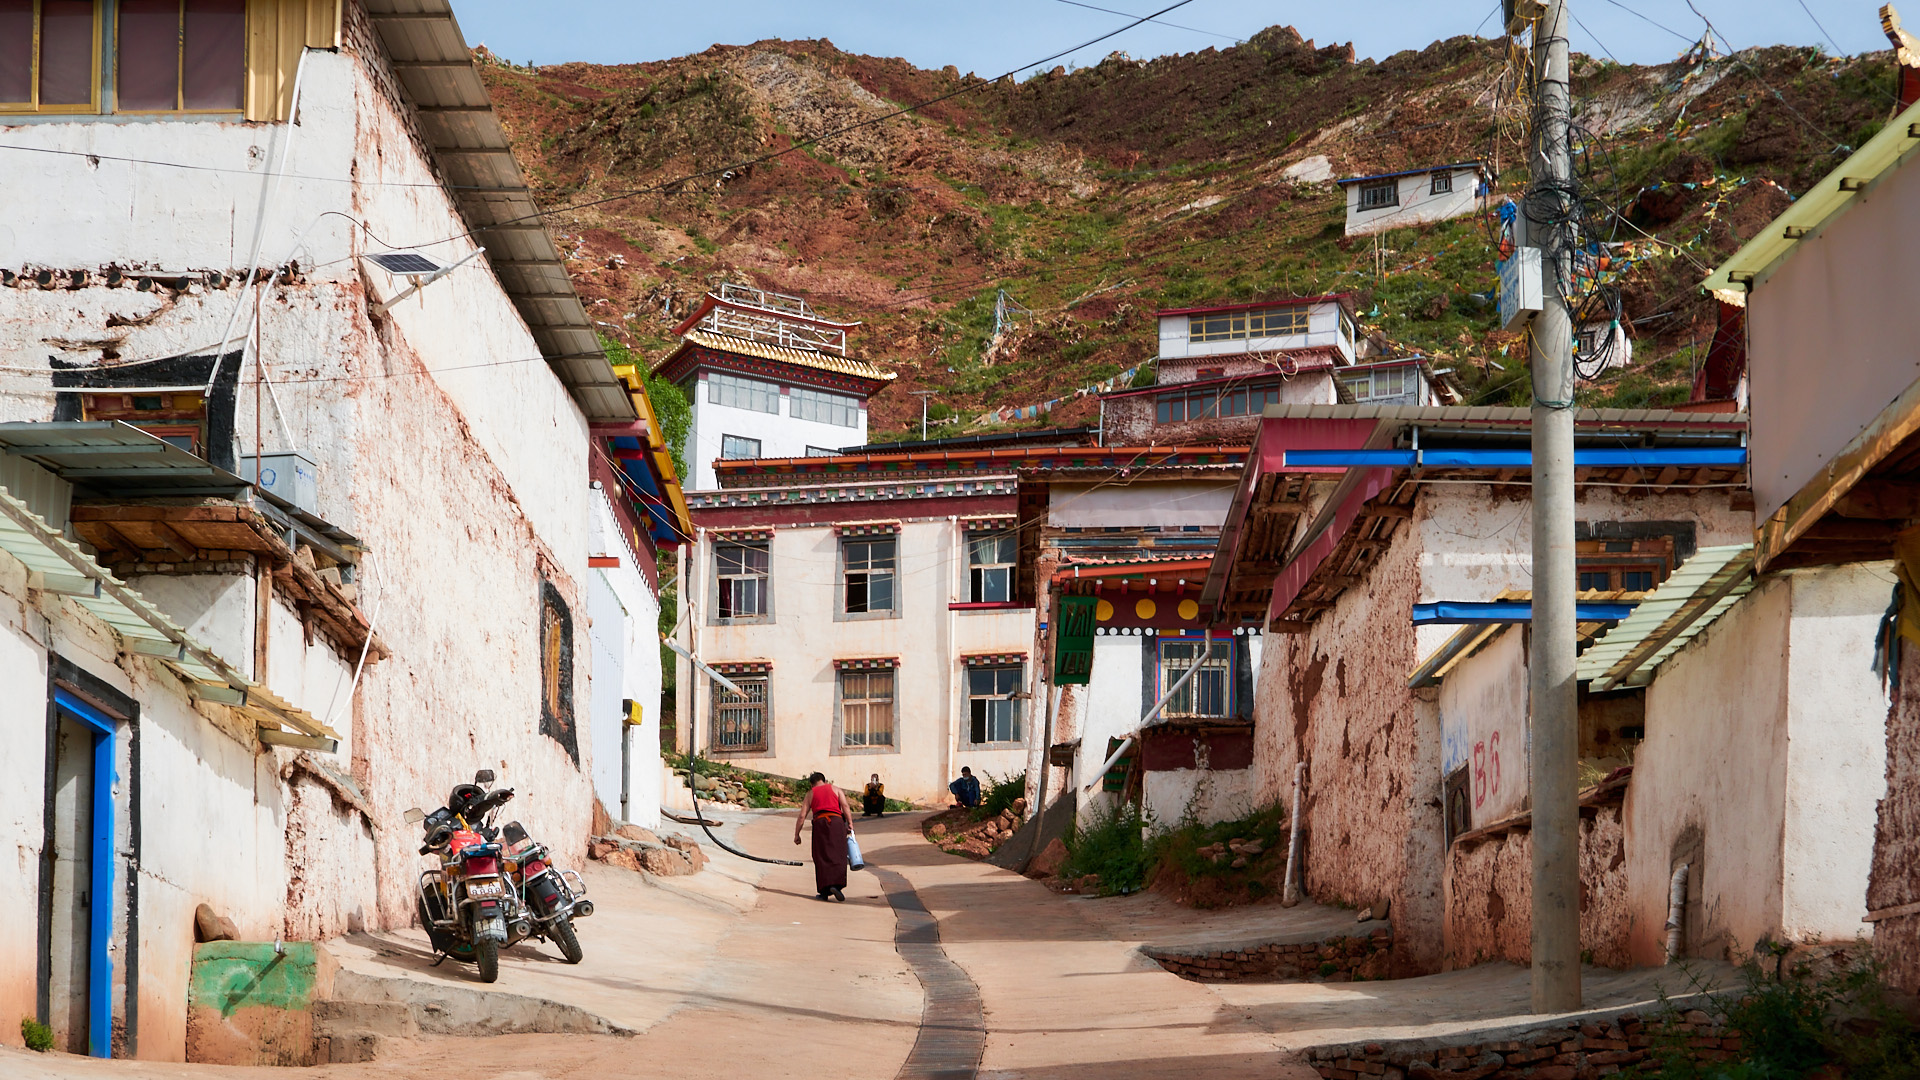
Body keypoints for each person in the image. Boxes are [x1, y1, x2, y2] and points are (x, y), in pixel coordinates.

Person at [794, 772, 852, 901]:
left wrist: (797, 834)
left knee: (821, 855)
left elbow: (802, 816)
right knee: (838, 853)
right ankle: (837, 885)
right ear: (824, 781)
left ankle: (824, 891)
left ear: (811, 783)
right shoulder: (836, 789)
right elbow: (845, 806)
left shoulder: (811, 793)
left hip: (820, 823)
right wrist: (850, 824)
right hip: (837, 822)